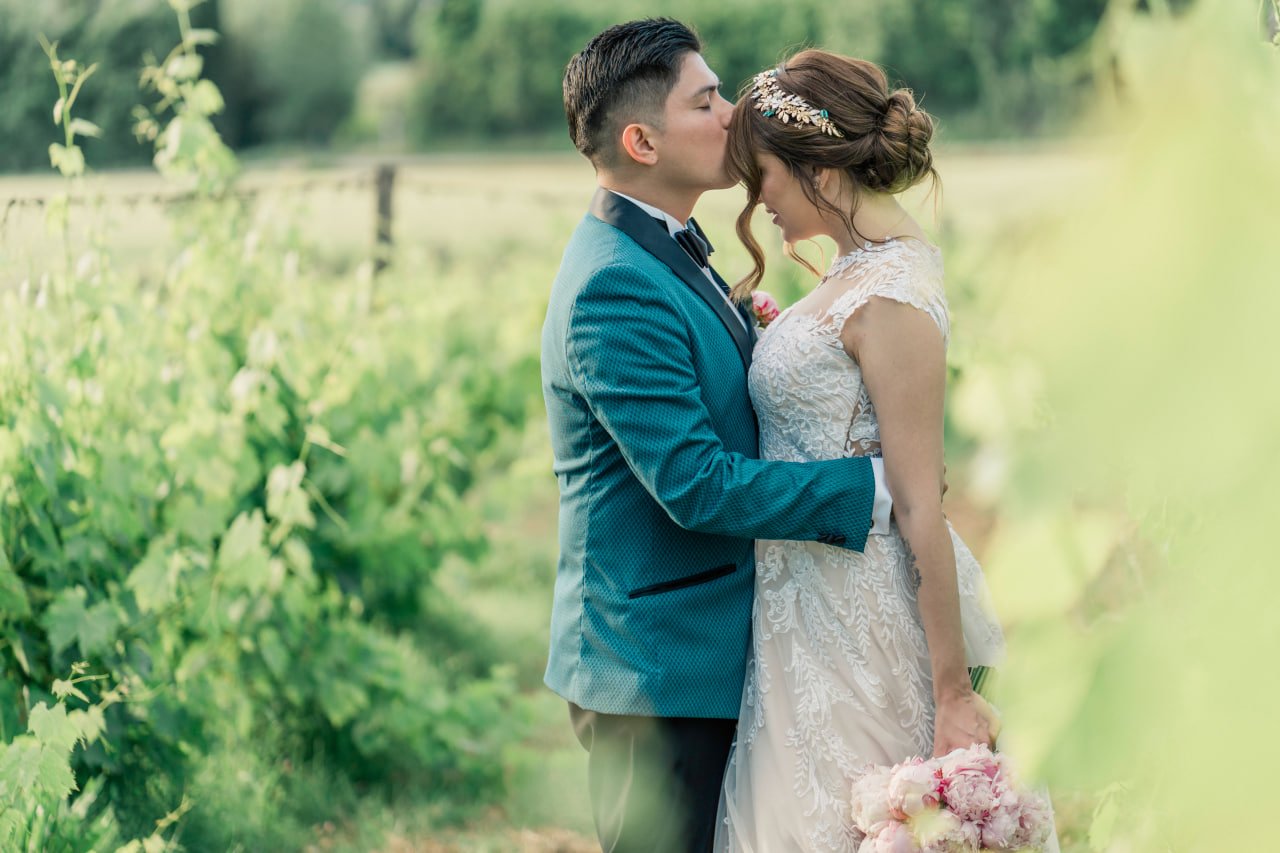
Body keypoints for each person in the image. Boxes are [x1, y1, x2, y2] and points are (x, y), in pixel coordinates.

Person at [542, 21, 898, 853]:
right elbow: (697, 482)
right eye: (706, 101)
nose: (734, 112)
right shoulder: (613, 287)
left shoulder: (662, 246)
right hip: (655, 673)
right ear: (640, 139)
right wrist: (871, 487)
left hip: (706, 649)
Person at [713, 50, 1015, 851]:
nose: (759, 201)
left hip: (856, 619)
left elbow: (920, 502)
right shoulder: (856, 272)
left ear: (819, 167)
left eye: (766, 174)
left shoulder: (894, 294)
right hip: (796, 613)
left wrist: (952, 692)